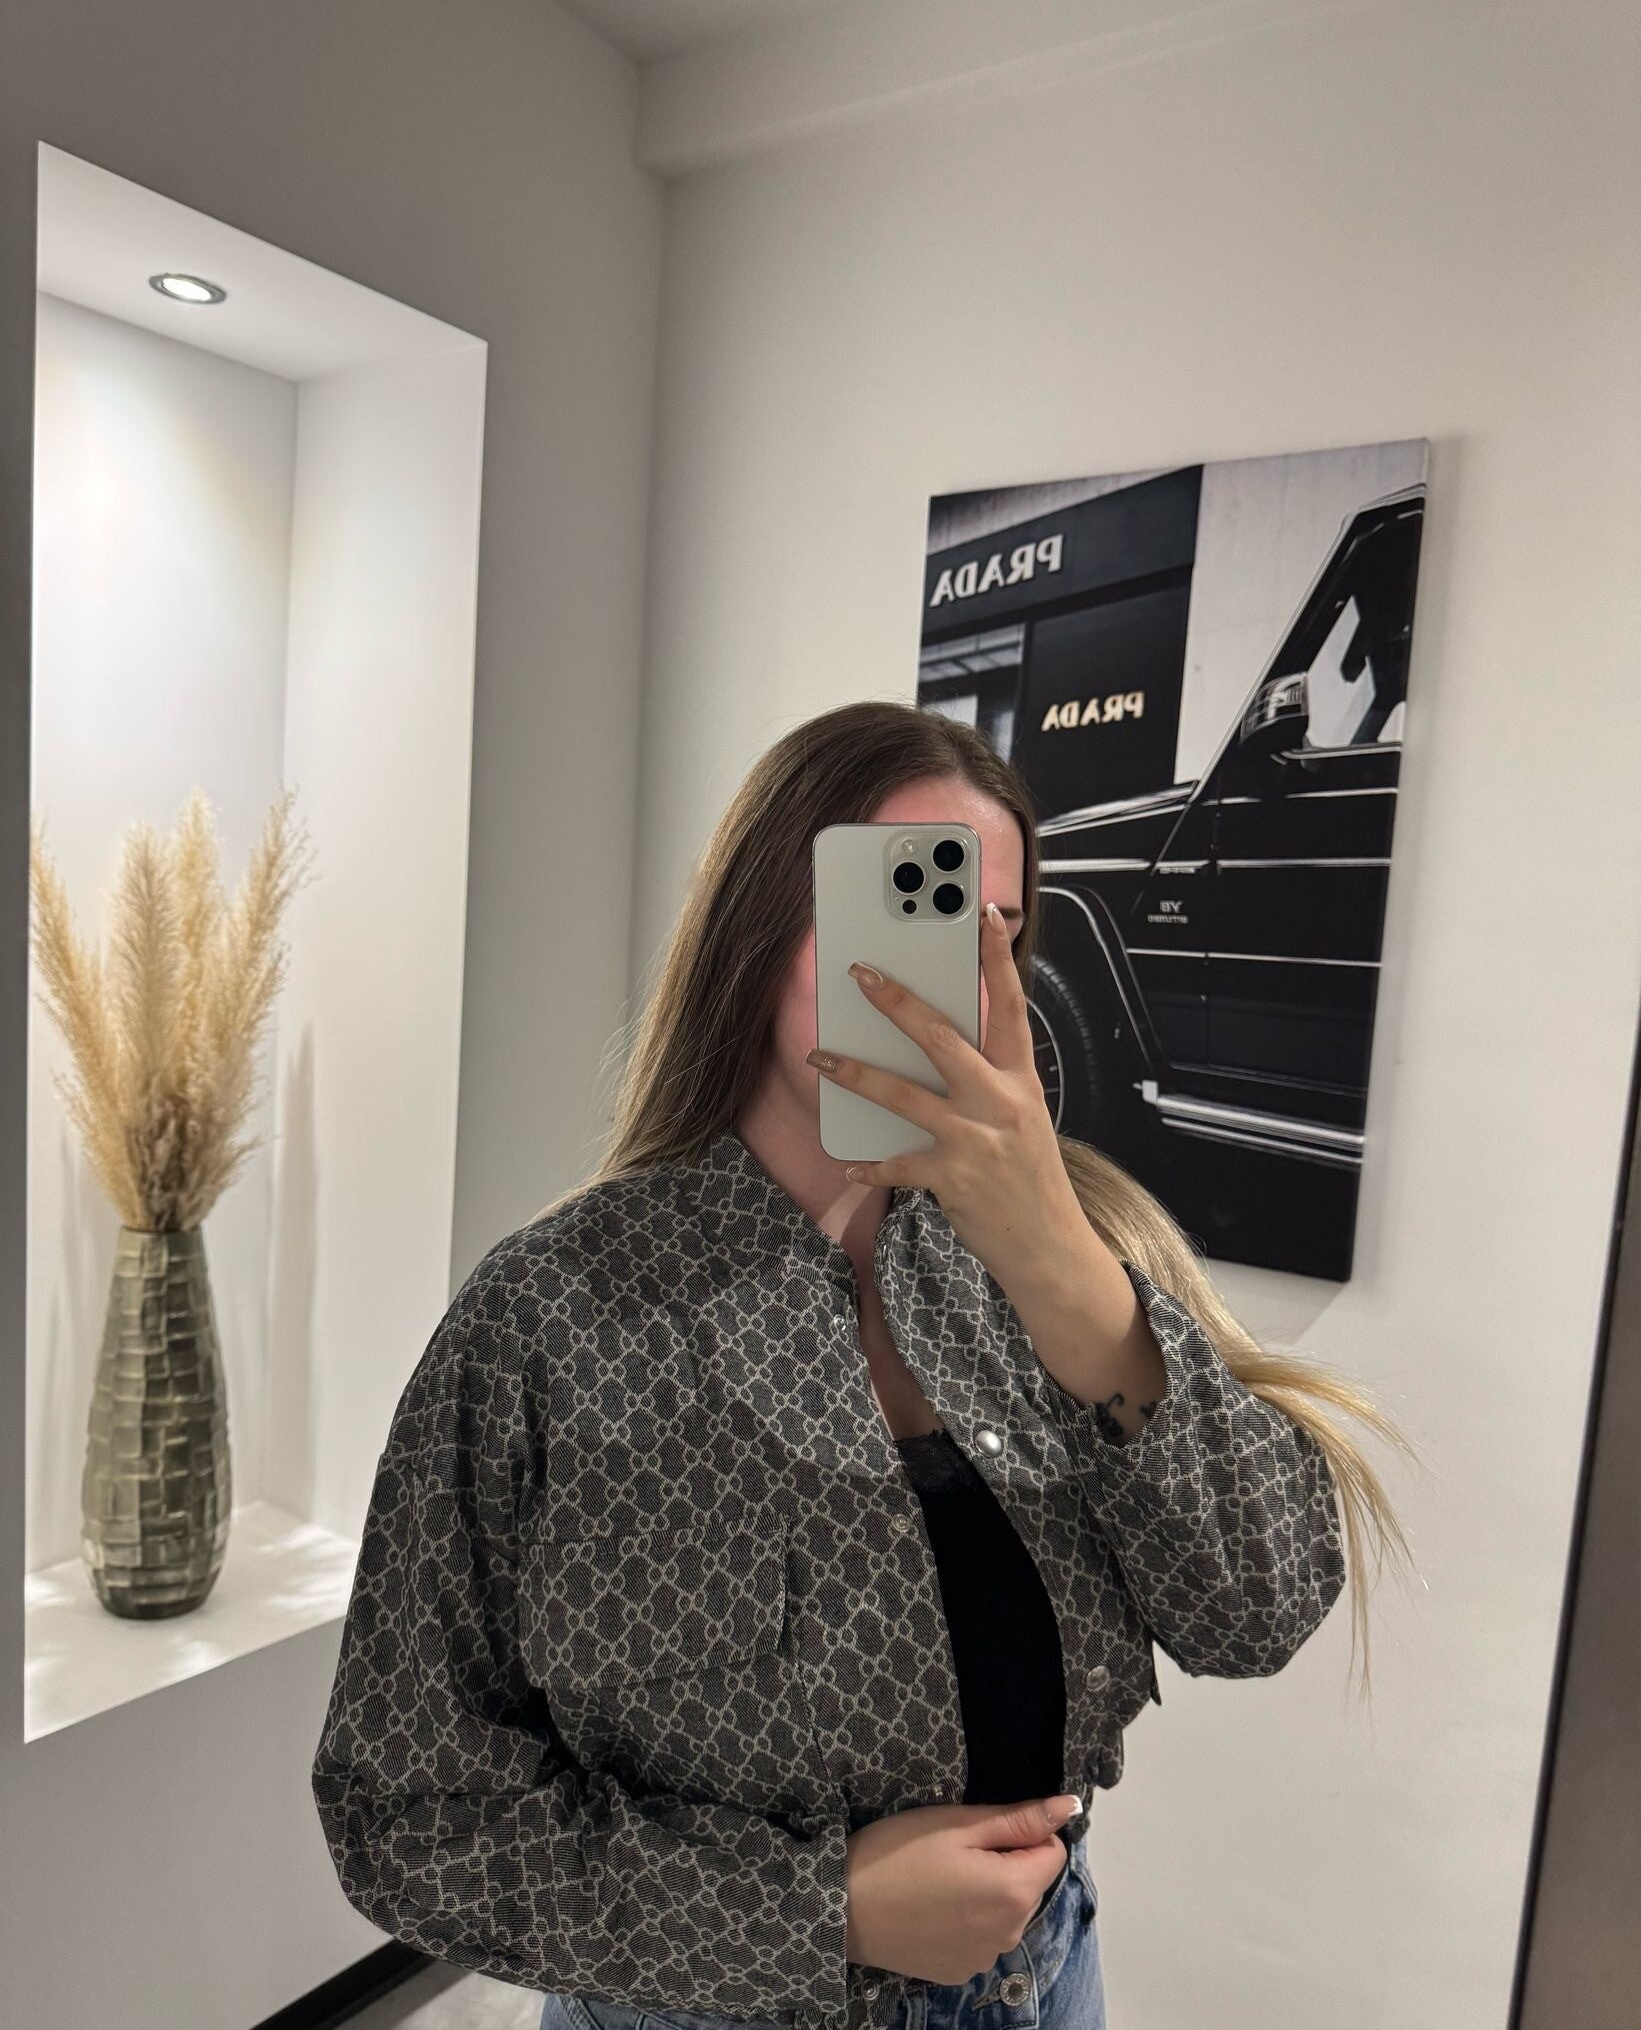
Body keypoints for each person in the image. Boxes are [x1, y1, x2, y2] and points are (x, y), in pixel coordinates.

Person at [311, 700, 1415, 2030]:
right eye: (907, 909)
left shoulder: (1077, 1258)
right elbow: (406, 1814)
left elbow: (1259, 1609)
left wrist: (1062, 1269)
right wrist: (814, 1911)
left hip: (1046, 1981)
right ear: (758, 926)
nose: (949, 980)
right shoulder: (553, 1319)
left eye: (996, 932)